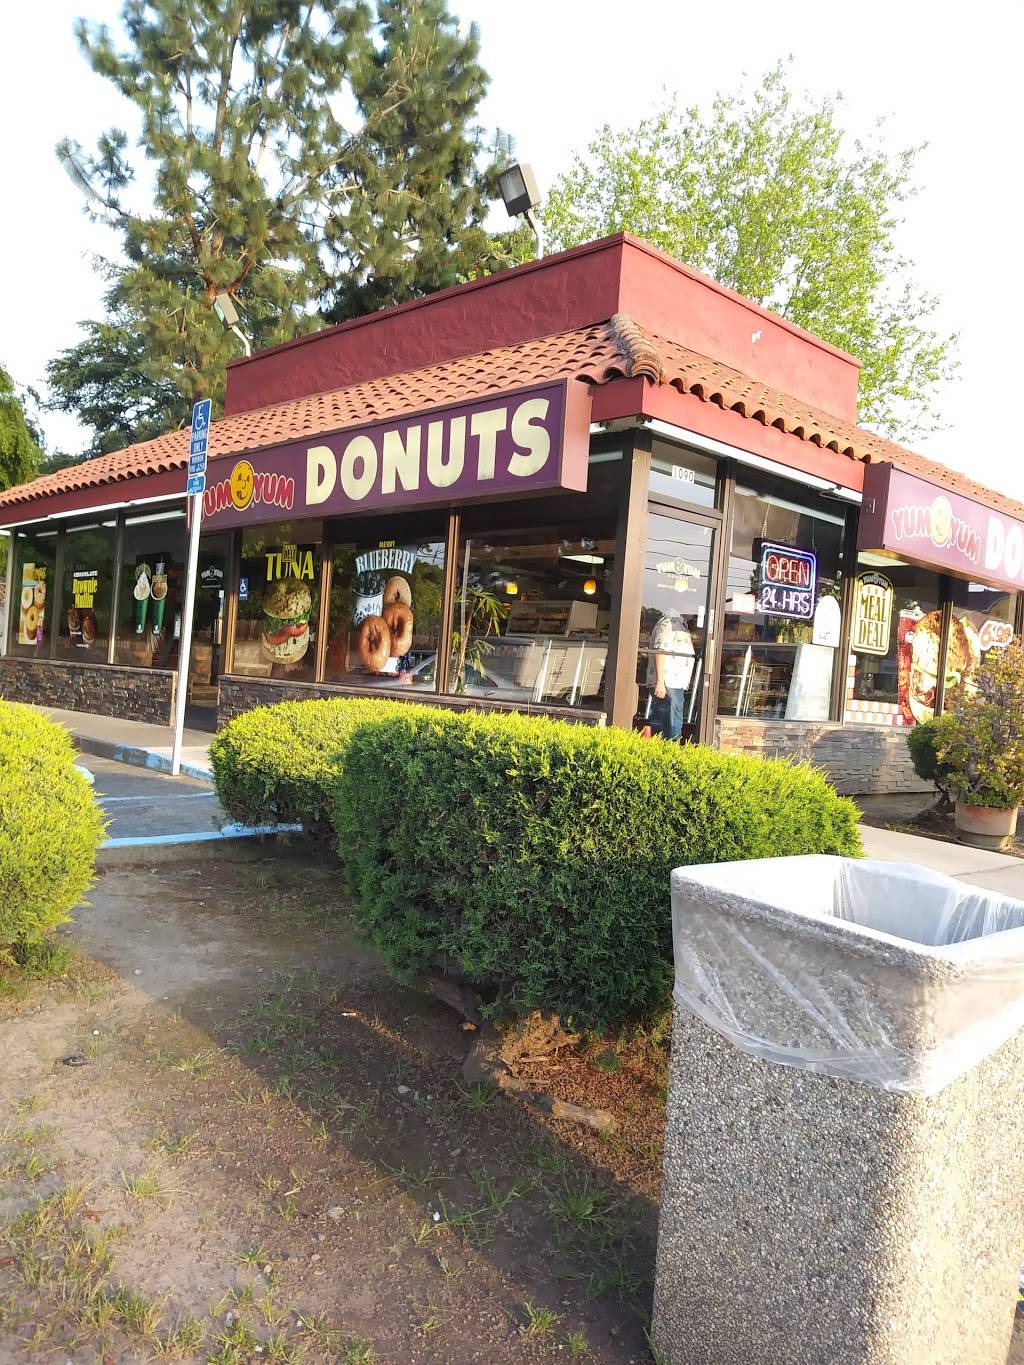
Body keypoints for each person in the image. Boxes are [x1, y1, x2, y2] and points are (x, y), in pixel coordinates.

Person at [648, 611, 696, 739]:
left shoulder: (681, 624)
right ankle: (672, 748)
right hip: (669, 682)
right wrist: (660, 682)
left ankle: (660, 747)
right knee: (672, 721)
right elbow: (660, 651)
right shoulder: (668, 622)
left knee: (662, 721)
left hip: (675, 682)